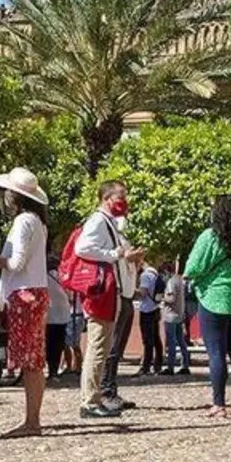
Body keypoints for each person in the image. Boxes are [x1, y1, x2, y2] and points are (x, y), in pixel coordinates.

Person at [0, 167, 50, 438]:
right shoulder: (38, 222)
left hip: (24, 294)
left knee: (29, 361)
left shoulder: (23, 222)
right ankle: (33, 418)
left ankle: (32, 421)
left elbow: (15, 264)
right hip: (35, 292)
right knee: (34, 360)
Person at [75, 180, 145, 419]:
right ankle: (90, 401)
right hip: (101, 292)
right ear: (106, 199)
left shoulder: (109, 223)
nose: (123, 203)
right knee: (97, 346)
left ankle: (95, 397)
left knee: (103, 347)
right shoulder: (97, 221)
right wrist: (116, 254)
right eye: (119, 198)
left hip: (112, 291)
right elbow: (82, 248)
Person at [184, 195, 231, 419]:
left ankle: (219, 404)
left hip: (214, 299)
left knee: (216, 353)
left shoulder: (211, 237)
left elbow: (193, 267)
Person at [160, 263, 191, 375]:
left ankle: (170, 367)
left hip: (170, 315)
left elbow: (171, 298)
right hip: (179, 314)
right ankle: (185, 365)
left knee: (171, 341)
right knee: (181, 341)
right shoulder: (180, 281)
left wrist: (162, 298)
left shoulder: (171, 282)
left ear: (167, 272)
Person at [45, 258, 72, 381]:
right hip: (63, 315)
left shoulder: (42, 278)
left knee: (47, 344)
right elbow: (70, 294)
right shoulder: (62, 277)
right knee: (58, 345)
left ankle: (47, 370)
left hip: (47, 316)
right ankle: (54, 372)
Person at [135, 262, 163, 376]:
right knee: (156, 338)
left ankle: (146, 367)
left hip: (147, 310)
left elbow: (143, 293)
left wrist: (131, 290)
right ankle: (158, 364)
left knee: (147, 340)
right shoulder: (156, 274)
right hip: (156, 308)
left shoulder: (145, 275)